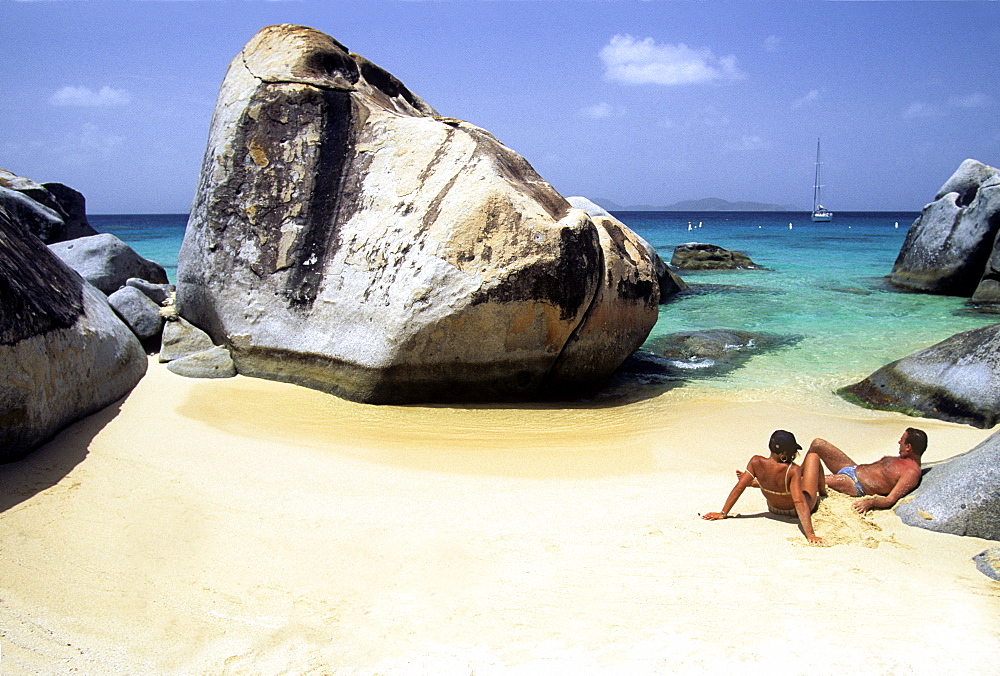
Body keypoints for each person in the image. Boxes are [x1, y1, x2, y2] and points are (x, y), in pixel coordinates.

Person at [702, 430, 825, 545]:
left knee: (792, 483)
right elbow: (798, 501)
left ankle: (755, 482)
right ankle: (824, 493)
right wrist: (810, 534)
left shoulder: (756, 461)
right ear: (784, 454)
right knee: (813, 457)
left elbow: (739, 487)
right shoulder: (793, 469)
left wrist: (723, 513)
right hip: (794, 510)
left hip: (773, 507)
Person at [807, 427, 926, 514]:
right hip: (853, 468)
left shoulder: (911, 473)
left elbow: (890, 499)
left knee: (810, 480)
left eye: (902, 440)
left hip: (854, 484)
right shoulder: (901, 459)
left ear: (908, 447)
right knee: (818, 444)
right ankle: (798, 471)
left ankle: (794, 480)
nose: (899, 442)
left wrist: (870, 503)